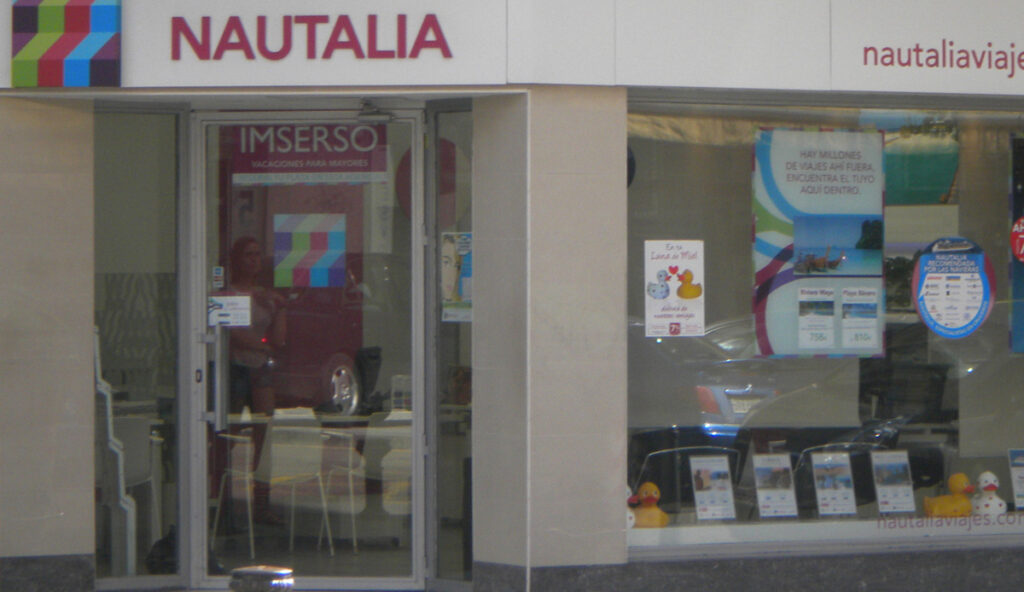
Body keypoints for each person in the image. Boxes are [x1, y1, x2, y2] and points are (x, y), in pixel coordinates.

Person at [228, 236, 286, 416]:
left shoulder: (265, 295)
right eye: (248, 255)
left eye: (257, 254)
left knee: (264, 420)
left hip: (259, 366)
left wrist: (280, 307)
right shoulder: (229, 293)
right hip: (234, 365)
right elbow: (233, 333)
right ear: (238, 260)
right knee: (231, 422)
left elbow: (279, 339)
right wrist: (263, 347)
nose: (254, 259)